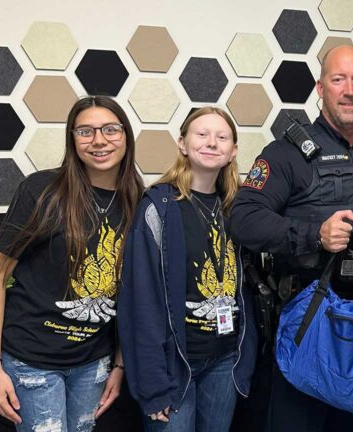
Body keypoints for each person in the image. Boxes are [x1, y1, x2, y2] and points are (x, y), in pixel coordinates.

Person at [229, 45, 353, 432]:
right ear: (320, 87)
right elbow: (243, 219)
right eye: (339, 79)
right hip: (306, 325)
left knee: (352, 425)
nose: (349, 90)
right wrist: (314, 235)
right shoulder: (286, 153)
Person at [0, 96, 143, 432]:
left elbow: (133, 293)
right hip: (31, 360)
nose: (99, 140)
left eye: (110, 129)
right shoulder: (43, 190)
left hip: (93, 363)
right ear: (72, 140)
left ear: (126, 135)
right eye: (85, 131)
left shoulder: (138, 200)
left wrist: (119, 365)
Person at [117, 107, 258, 432]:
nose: (212, 143)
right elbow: (142, 303)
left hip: (225, 360)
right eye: (202, 134)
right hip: (174, 366)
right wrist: (152, 385)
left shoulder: (237, 209)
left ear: (233, 150)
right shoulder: (158, 208)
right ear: (182, 143)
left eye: (222, 137)